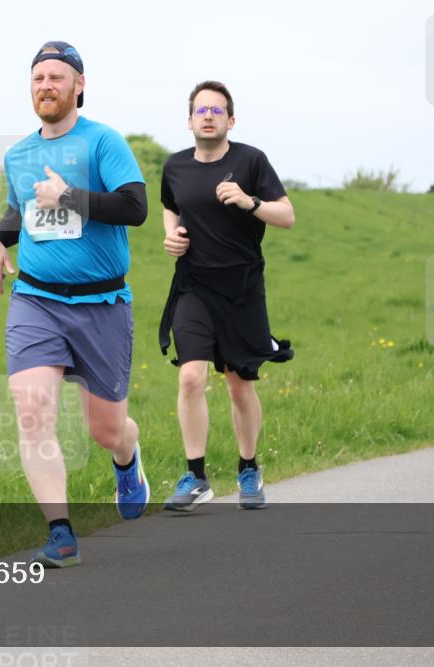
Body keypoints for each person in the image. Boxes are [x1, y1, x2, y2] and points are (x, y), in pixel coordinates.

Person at [0, 41, 149, 567]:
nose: (46, 86)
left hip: (102, 305)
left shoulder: (104, 142)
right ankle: (61, 533)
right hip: (37, 302)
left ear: (79, 85)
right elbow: (22, 209)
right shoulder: (19, 155)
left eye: (57, 77)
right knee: (32, 413)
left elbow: (135, 207)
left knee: (105, 430)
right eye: (38, 78)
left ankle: (128, 459)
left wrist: (71, 196)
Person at [157, 80, 295, 512]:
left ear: (231, 120)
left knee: (239, 387)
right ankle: (196, 477)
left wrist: (249, 201)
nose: (209, 116)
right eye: (202, 110)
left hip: (242, 289)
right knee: (191, 377)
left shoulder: (251, 161)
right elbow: (169, 205)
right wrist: (171, 235)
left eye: (218, 110)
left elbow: (287, 216)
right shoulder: (176, 166)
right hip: (194, 286)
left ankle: (249, 468)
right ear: (190, 120)